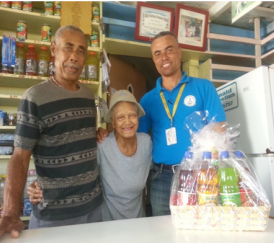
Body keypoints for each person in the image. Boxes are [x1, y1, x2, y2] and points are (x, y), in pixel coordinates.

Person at [0, 25, 103, 243]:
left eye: (81, 50)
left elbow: (83, 143)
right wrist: (12, 212)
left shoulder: (89, 96)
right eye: (68, 48)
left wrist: (102, 132)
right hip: (53, 216)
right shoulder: (35, 98)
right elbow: (19, 159)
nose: (74, 57)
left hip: (94, 210)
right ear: (54, 49)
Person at [97, 31, 226, 216]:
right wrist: (104, 132)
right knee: (164, 237)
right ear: (153, 59)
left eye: (169, 50)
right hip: (162, 179)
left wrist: (211, 169)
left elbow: (219, 130)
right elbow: (130, 134)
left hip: (200, 174)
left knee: (203, 228)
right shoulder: (148, 100)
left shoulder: (203, 87)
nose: (163, 57)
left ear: (179, 52)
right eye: (157, 53)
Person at [28, 90, 153, 221]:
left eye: (132, 115)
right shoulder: (102, 144)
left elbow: (156, 170)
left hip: (139, 222)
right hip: (107, 223)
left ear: (138, 118)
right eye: (120, 117)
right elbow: (77, 171)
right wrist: (41, 184)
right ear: (113, 123)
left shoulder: (146, 143)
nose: (127, 121)